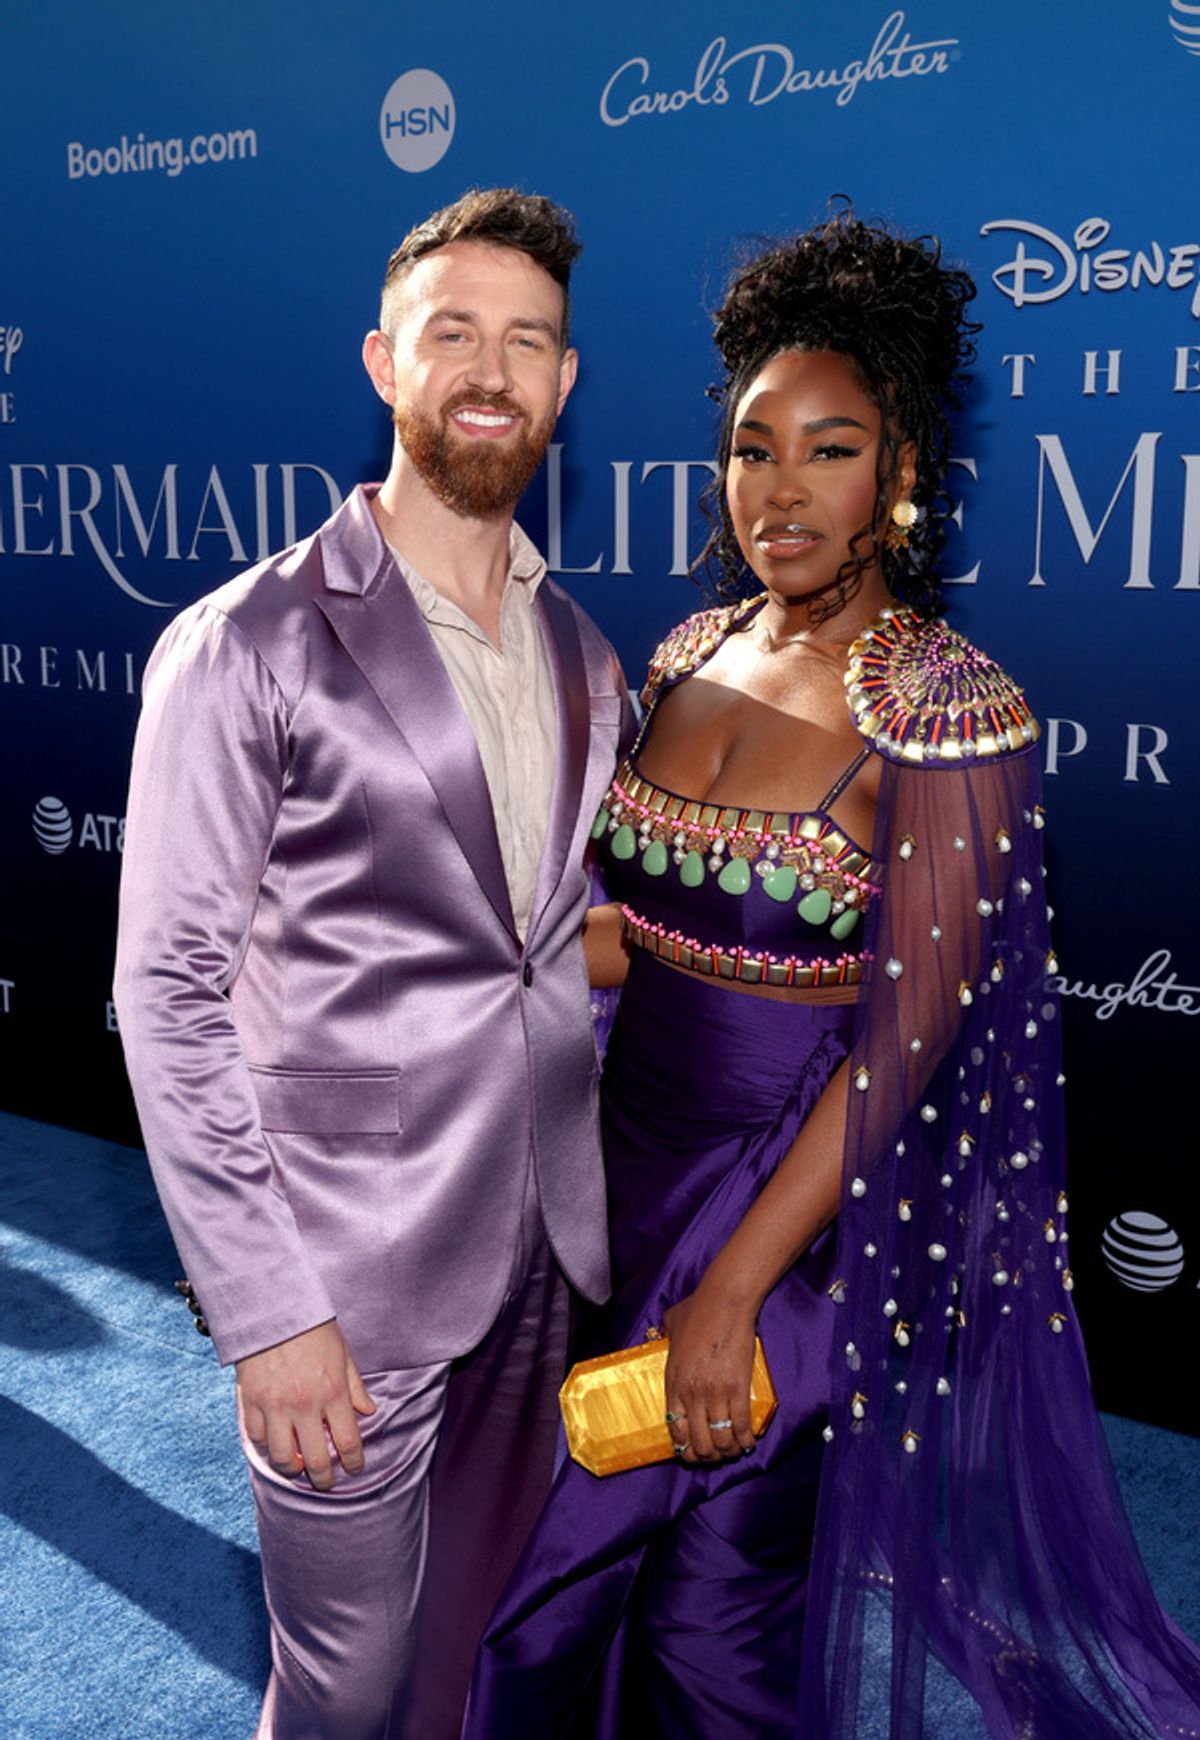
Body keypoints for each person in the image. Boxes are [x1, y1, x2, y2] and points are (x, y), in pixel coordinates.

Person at [466, 211, 1200, 1738]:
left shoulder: (950, 711)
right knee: (565, 1596)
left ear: (907, 474)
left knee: (705, 1611)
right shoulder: (687, 652)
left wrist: (735, 1290)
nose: (778, 491)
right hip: (615, 1172)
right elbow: (632, 936)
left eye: (829, 449)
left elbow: (908, 1044)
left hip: (790, 1218)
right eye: (751, 448)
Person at [113, 187, 631, 1740]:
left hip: (547, 1243)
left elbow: (552, 944)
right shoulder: (250, 640)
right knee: (342, 1685)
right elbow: (166, 994)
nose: (491, 368)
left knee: (466, 1636)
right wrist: (268, 1310)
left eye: (525, 341)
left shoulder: (584, 651)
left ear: (564, 385)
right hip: (346, 1274)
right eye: (452, 333)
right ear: (382, 363)